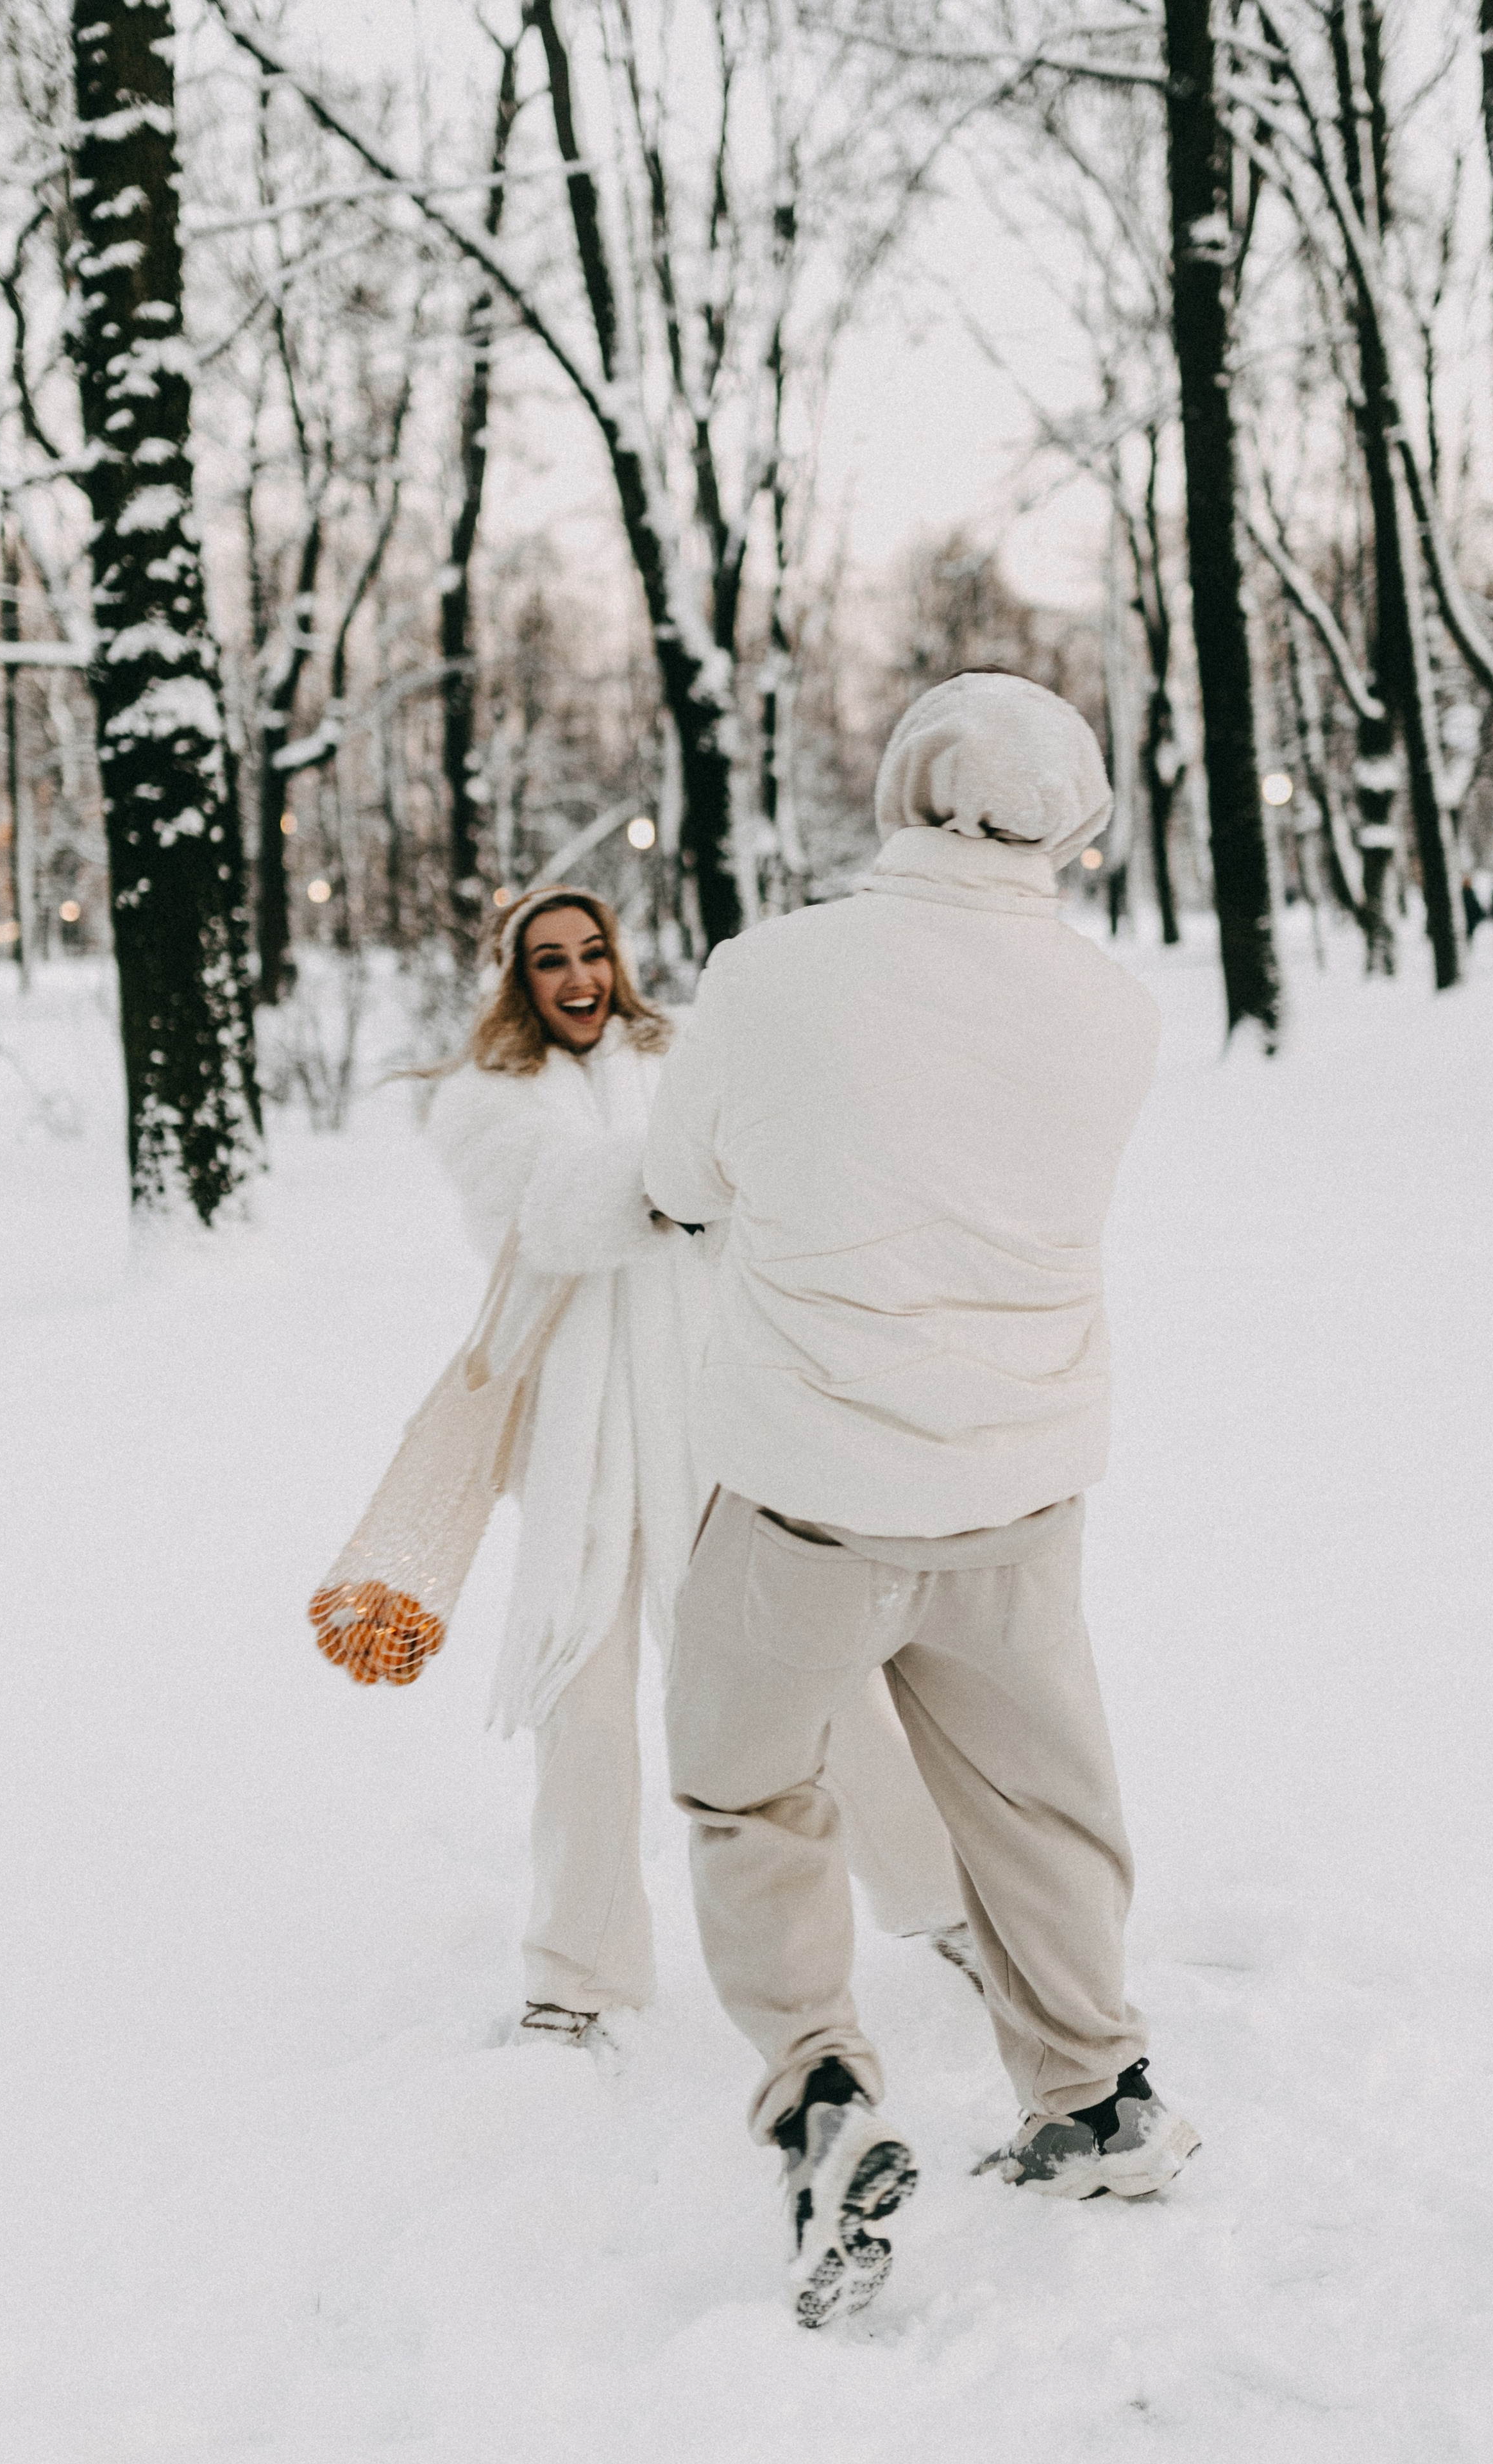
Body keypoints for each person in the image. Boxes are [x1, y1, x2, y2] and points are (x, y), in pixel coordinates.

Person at [644, 674, 1200, 2328]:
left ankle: (819, 2089)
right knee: (1036, 1808)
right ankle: (1094, 2094)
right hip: (1016, 1493)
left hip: (804, 1496)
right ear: (1075, 824)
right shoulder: (1113, 1010)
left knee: (749, 1794)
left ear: (899, 790)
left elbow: (683, 1183)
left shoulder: (770, 976)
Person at [428, 885, 974, 2049]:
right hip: (582, 1458)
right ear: (516, 979)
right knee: (581, 1713)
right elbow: (549, 1213)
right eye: (548, 961)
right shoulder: (484, 1102)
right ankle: (577, 1978)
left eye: (591, 952)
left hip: (712, 1433)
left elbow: (761, 1190)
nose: (577, 977)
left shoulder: (678, 1050)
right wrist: (690, 1171)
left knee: (817, 1684)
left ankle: (948, 1904)